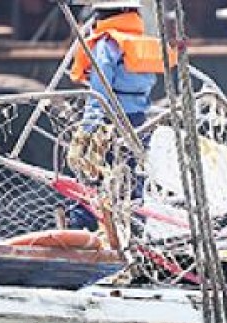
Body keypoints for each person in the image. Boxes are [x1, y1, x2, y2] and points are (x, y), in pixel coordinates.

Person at [67, 0, 175, 229]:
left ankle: (81, 228)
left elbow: (100, 89)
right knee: (131, 175)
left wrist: (89, 127)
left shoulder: (107, 44)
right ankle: (134, 229)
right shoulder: (140, 44)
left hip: (108, 118)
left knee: (91, 173)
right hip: (137, 119)